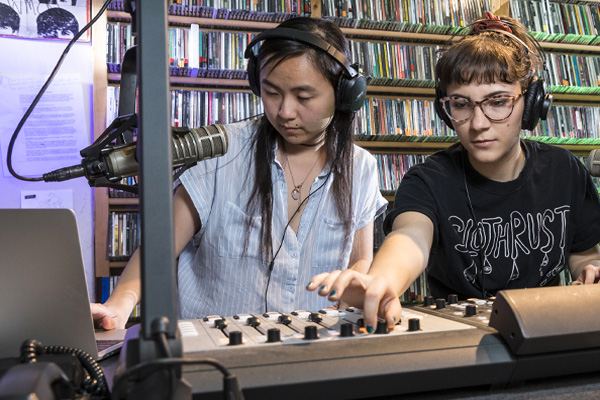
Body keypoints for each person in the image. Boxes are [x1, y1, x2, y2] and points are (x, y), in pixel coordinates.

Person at [308, 12, 600, 333]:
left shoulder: (564, 170)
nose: (478, 123)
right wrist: (382, 281)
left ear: (531, 103)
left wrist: (590, 271)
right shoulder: (427, 180)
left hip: (546, 331)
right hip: (459, 340)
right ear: (445, 110)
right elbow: (409, 239)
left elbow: (583, 253)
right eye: (461, 104)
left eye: (498, 101)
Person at [92, 17, 387, 329]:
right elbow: (159, 248)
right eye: (272, 92)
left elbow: (359, 261)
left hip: (311, 353)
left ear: (344, 94)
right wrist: (120, 301)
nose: (284, 112)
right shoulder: (220, 150)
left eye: (304, 97)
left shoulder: (360, 167)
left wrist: (360, 286)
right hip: (214, 358)